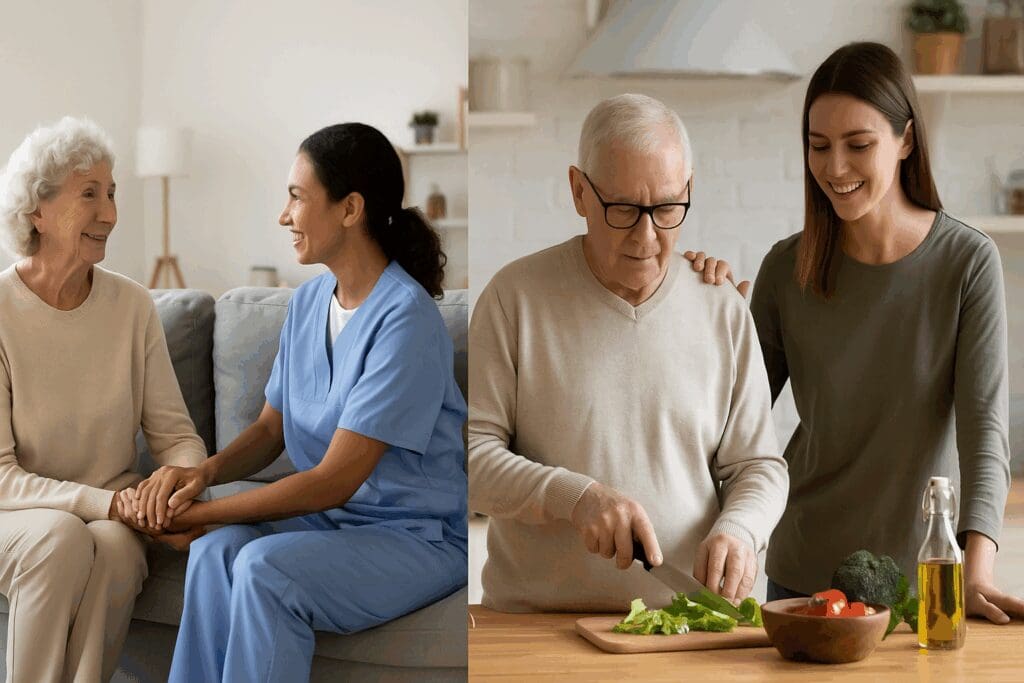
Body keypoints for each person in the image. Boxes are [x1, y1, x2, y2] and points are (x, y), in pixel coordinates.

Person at [117, 122, 468, 682]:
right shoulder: (305, 305)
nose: (284, 215)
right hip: (329, 524)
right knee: (211, 555)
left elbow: (334, 480)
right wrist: (200, 474)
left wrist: (200, 513)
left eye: (296, 197)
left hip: (415, 538)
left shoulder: (407, 321)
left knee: (263, 569)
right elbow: (269, 428)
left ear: (350, 208)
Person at [691, 41, 1023, 623]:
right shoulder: (785, 268)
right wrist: (706, 320)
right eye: (818, 146)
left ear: (907, 140)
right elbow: (725, 425)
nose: (834, 168)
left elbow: (984, 431)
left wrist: (975, 573)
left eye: (858, 145)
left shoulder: (967, 262)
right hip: (800, 580)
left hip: (924, 577)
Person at [468, 94, 789, 613]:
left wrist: (741, 529)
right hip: (535, 624)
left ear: (688, 190)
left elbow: (759, 466)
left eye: (666, 208)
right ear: (578, 191)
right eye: (622, 210)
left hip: (689, 625)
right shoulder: (513, 299)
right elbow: (471, 462)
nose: (646, 236)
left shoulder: (722, 308)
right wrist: (574, 497)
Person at [0, 117, 207, 683]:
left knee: (116, 549)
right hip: (14, 515)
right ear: (36, 211)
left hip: (112, 515)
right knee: (59, 537)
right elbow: (0, 476)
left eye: (112, 193)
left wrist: (180, 483)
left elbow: (177, 437)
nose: (110, 213)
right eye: (89, 194)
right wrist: (109, 503)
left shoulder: (133, 306)